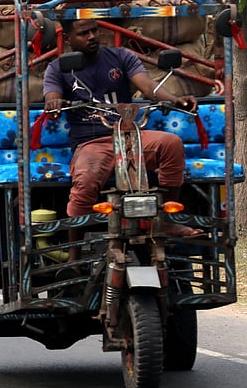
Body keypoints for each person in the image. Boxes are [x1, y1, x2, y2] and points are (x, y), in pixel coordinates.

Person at [43, 18, 201, 246]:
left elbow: (148, 86)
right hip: (92, 143)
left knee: (171, 143)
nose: (92, 37)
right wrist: (54, 104)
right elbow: (52, 96)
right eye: (83, 33)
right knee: (85, 181)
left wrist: (175, 100)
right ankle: (73, 254)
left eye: (94, 30)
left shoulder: (121, 56)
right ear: (68, 39)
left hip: (130, 135)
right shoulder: (58, 68)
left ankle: (166, 219)